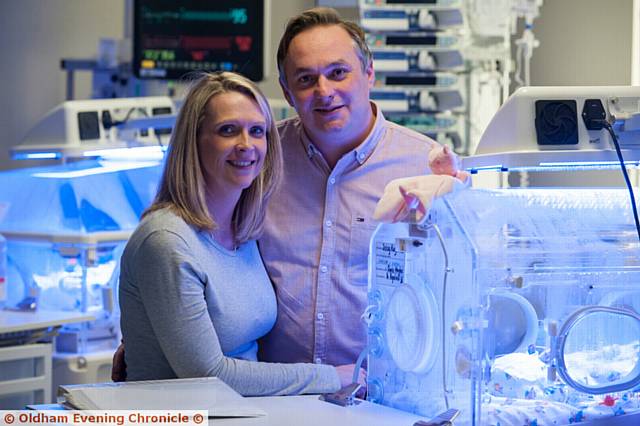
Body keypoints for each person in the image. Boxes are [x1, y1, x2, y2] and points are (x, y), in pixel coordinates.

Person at [117, 71, 357, 395]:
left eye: (257, 131)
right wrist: (331, 377)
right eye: (228, 130)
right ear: (195, 140)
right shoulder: (167, 241)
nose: (246, 145)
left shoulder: (244, 234)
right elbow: (208, 375)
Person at [257, 8, 446, 366]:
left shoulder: (424, 167)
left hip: (383, 397)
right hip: (279, 391)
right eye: (305, 79)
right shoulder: (260, 159)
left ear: (369, 73)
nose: (324, 91)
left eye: (338, 73)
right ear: (286, 91)